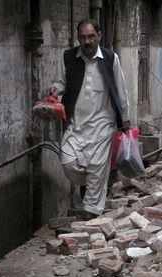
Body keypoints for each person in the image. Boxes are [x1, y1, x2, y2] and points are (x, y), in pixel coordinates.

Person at [49, 18, 130, 221]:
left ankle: (91, 214)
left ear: (99, 36)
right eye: (83, 37)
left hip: (103, 123)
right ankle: (99, 180)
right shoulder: (68, 57)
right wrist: (55, 89)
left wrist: (125, 121)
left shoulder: (111, 59)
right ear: (78, 38)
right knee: (68, 162)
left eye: (91, 36)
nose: (87, 41)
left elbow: (121, 90)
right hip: (75, 123)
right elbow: (60, 82)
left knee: (95, 165)